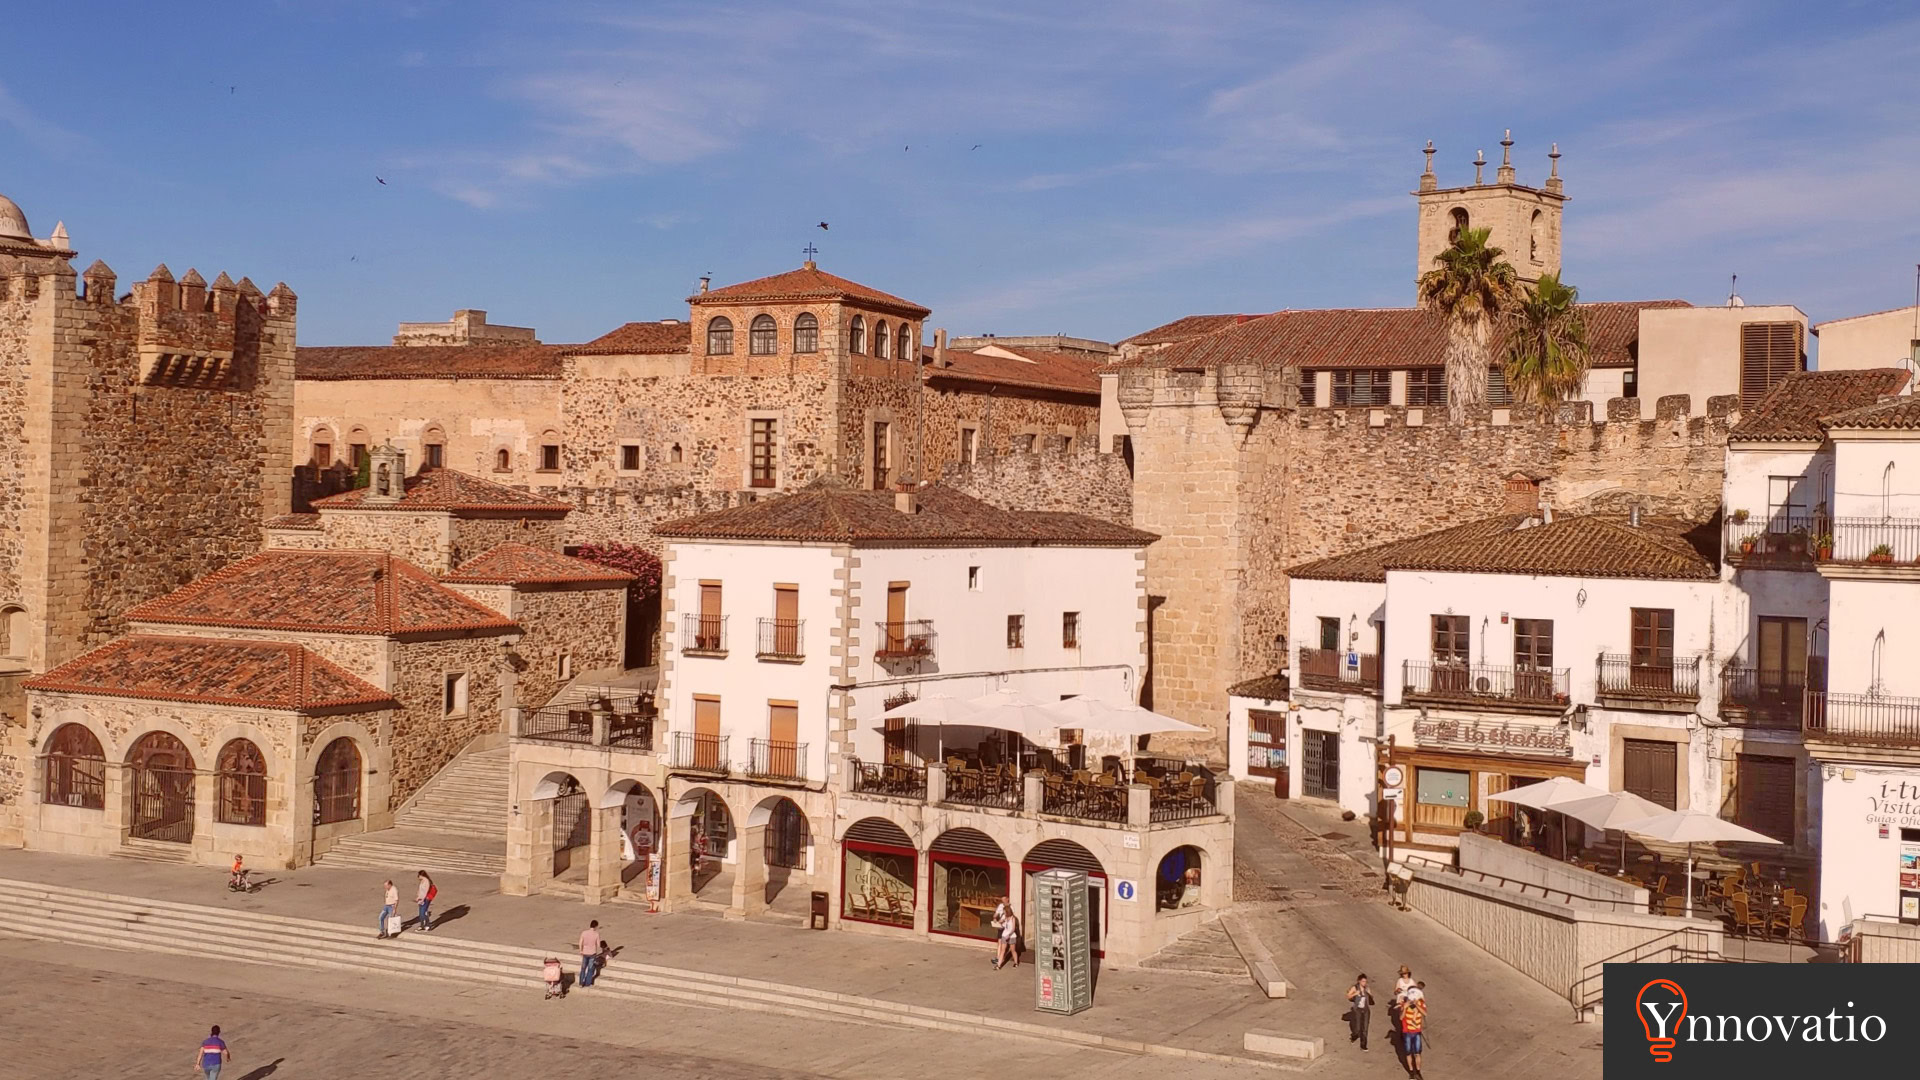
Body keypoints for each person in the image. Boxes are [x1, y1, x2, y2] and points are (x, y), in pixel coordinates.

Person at [1400, 982, 1429, 1079]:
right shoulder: (1405, 1004)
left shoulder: (1420, 1003)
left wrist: (1417, 1005)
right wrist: (1404, 1008)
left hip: (1416, 1032)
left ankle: (1418, 1071)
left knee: (1417, 1053)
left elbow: (1425, 1013)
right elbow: (1401, 1018)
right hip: (1407, 1031)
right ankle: (1411, 1072)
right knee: (1408, 1053)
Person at [1345, 973, 1374, 1050]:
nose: (1364, 983)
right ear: (1359, 981)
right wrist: (1355, 994)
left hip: (1366, 1009)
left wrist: (1370, 994)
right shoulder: (1355, 988)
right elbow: (1348, 996)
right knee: (1358, 1028)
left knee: (1365, 1028)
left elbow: (1371, 997)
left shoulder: (1367, 988)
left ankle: (1363, 1045)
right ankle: (1354, 1035)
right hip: (1358, 1009)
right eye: (1363, 981)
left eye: (1365, 981)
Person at [991, 897, 1020, 970]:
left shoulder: (1012, 918)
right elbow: (1001, 921)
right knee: (1003, 950)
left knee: (1013, 950)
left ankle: (1016, 962)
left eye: (1004, 911)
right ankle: (998, 965)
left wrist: (1009, 935)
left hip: (1011, 936)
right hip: (1004, 935)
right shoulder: (1005, 918)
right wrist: (998, 922)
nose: (1003, 913)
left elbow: (1013, 929)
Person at [577, 919, 603, 987]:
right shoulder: (596, 934)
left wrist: (581, 950)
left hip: (585, 952)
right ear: (596, 926)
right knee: (590, 969)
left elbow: (580, 943)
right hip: (592, 953)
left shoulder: (584, 932)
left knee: (583, 969)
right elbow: (598, 945)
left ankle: (580, 983)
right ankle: (587, 983)